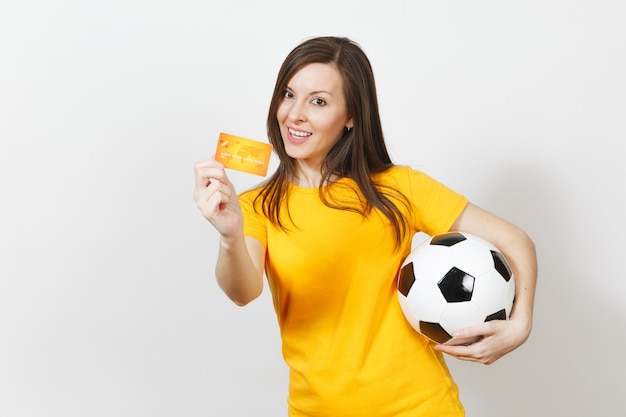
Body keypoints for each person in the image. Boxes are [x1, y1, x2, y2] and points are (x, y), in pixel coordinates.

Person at [193, 36, 537, 417]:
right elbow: (243, 292)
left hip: (421, 407)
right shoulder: (256, 207)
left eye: (318, 101)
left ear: (352, 115)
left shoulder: (397, 187)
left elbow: (513, 239)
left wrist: (520, 324)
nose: (294, 114)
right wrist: (228, 235)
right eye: (288, 95)